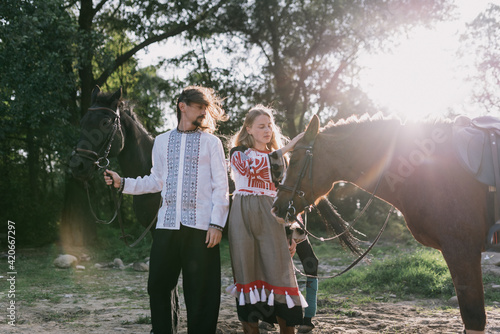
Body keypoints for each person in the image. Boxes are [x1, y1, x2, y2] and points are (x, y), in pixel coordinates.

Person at [104, 86, 229, 334]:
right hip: (167, 227)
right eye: (200, 106)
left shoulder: (212, 143)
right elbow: (156, 181)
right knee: (158, 286)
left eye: (206, 108)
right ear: (182, 106)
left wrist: (217, 224)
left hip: (201, 228)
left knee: (201, 292)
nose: (204, 112)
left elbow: (221, 187)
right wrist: (123, 183)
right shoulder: (161, 142)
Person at [227, 104, 305, 334]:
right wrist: (288, 147)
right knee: (246, 273)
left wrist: (295, 232)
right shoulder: (238, 153)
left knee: (280, 273)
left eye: (270, 125)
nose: (267, 130)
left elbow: (292, 198)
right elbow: (251, 169)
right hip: (243, 216)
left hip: (273, 215)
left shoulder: (282, 160)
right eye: (261, 126)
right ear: (248, 129)